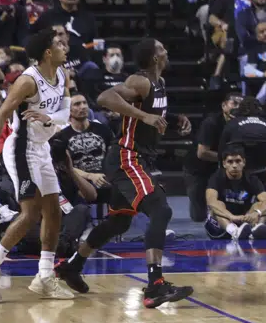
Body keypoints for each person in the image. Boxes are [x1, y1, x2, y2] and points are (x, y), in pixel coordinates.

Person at [53, 39, 194, 308]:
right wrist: (144, 117)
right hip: (127, 157)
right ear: (154, 57)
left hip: (134, 157)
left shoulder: (158, 84)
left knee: (119, 222)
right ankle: (155, 285)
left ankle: (73, 266)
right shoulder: (140, 80)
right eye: (162, 48)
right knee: (160, 210)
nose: (166, 50)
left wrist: (173, 119)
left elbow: (152, 113)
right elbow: (105, 97)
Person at [0, 28, 74, 302]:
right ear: (47, 53)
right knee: (30, 214)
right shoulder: (28, 82)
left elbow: (66, 113)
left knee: (54, 212)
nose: (65, 46)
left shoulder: (62, 73)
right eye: (59, 44)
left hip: (42, 149)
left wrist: (48, 117)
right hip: (20, 149)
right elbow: (0, 115)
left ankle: (44, 276)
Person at [204, 146, 266, 242]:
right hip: (222, 224)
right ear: (224, 164)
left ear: (244, 163)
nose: (234, 165)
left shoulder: (252, 179)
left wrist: (256, 213)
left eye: (238, 161)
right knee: (217, 206)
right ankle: (234, 231)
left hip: (244, 222)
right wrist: (231, 217)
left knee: (260, 206)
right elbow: (211, 202)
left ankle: (254, 231)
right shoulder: (216, 177)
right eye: (230, 162)